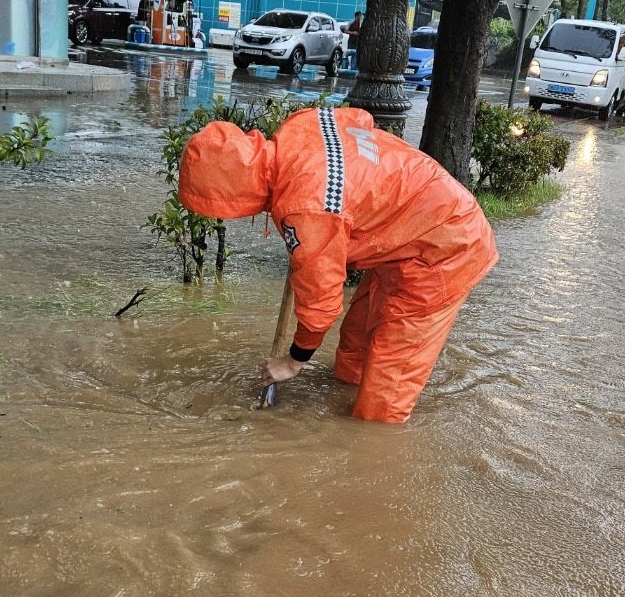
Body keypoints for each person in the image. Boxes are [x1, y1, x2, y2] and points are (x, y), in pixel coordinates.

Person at [178, 106, 498, 423]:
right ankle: (346, 398)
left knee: (386, 391)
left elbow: (320, 308)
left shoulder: (307, 209)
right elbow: (360, 119)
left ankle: (370, 441)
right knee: (355, 345)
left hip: (446, 249)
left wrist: (293, 362)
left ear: (234, 191)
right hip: (411, 223)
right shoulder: (300, 126)